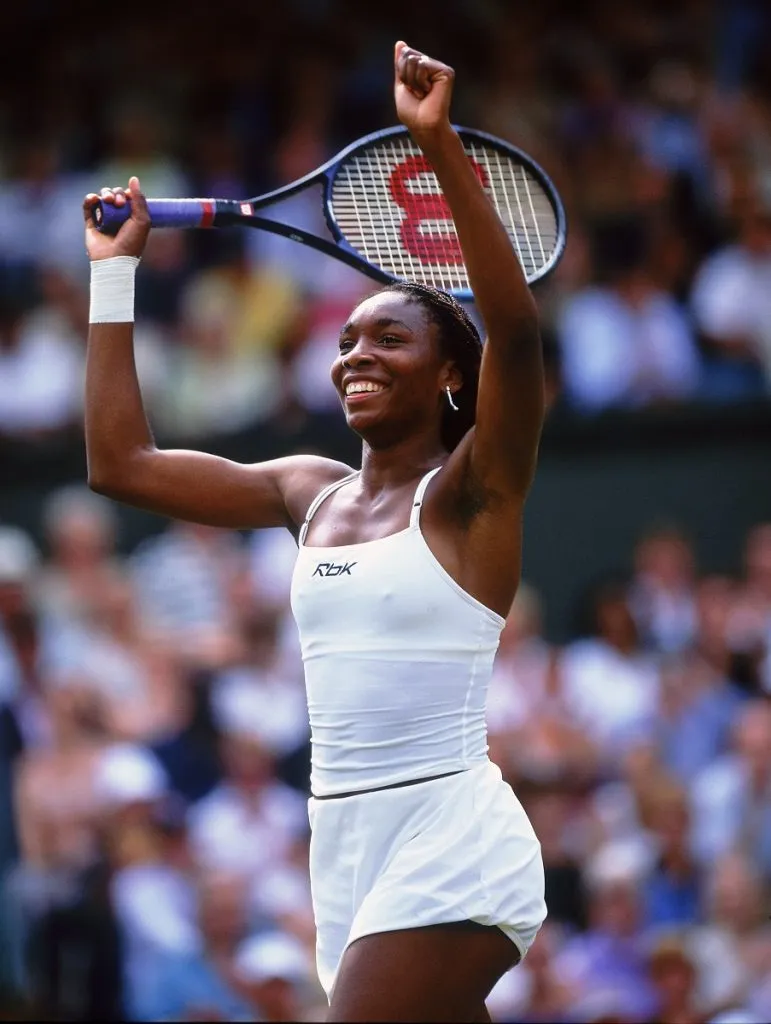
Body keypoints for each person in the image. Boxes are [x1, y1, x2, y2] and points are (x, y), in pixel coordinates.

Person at [82, 41, 547, 1023]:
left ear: (450, 375)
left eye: (389, 337)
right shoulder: (309, 491)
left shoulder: (475, 494)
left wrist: (439, 149)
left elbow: (515, 334)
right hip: (342, 849)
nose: (355, 356)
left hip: (450, 837)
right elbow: (120, 464)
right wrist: (113, 280)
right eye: (346, 340)